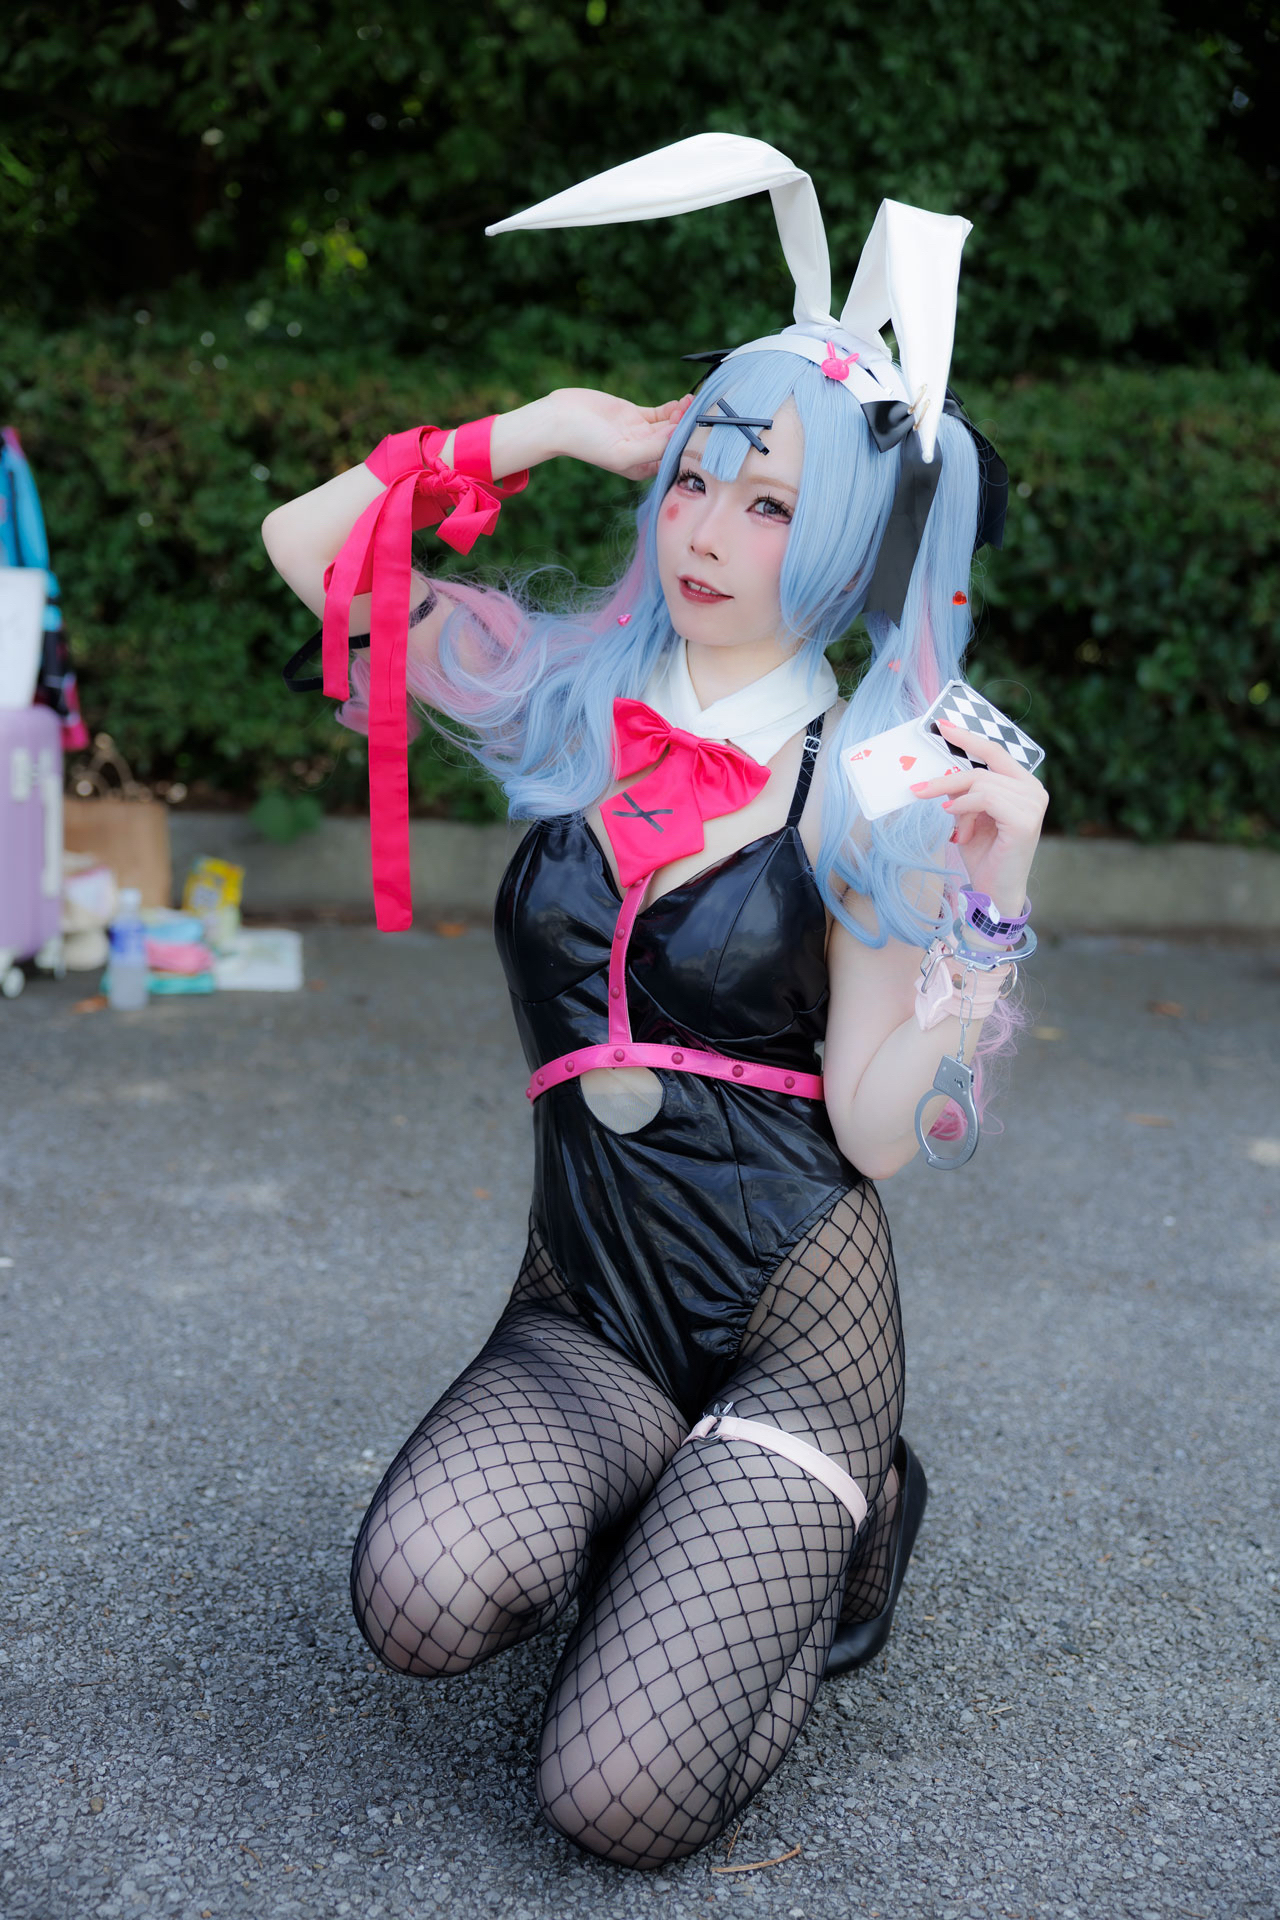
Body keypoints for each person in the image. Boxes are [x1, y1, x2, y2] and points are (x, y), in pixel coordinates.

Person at [264, 135, 1048, 1868]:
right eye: (698, 476)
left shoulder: (867, 786)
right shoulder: (564, 693)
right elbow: (306, 549)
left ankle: (854, 1510)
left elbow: (883, 1131)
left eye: (771, 505)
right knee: (418, 1596)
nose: (704, 530)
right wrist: (545, 426)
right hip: (594, 1305)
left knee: (616, 1799)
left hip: (797, 1330)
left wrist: (991, 905)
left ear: (847, 537)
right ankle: (672, 1505)